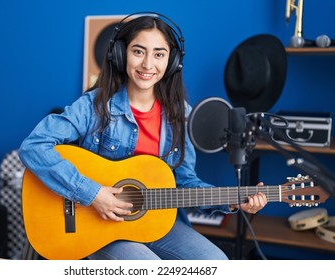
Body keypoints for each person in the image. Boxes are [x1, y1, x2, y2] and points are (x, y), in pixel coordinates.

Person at [18, 12, 267, 260]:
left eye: (159, 54)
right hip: (95, 223)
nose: (148, 65)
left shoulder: (181, 115)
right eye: (138, 51)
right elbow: (33, 146)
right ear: (121, 54)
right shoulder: (94, 105)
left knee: (217, 262)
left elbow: (184, 182)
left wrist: (233, 201)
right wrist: (92, 193)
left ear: (172, 62)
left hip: (153, 222)